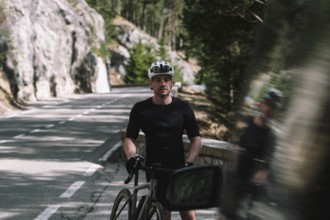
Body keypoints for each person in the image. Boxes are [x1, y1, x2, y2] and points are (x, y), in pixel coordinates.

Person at [123, 60, 202, 220]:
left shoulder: (183, 108)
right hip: (154, 167)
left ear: (172, 83)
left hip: (179, 166)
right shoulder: (140, 109)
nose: (163, 83)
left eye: (166, 79)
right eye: (158, 80)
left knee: (188, 212)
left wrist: (190, 163)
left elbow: (196, 139)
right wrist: (132, 157)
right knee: (164, 211)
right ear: (151, 83)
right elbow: (130, 138)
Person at [221, 88, 282, 220]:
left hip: (251, 186)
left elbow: (267, 163)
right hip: (235, 177)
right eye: (267, 104)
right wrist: (233, 172)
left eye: (272, 106)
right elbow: (236, 146)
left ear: (275, 111)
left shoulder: (271, 135)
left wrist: (256, 181)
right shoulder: (247, 122)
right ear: (261, 104)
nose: (268, 109)